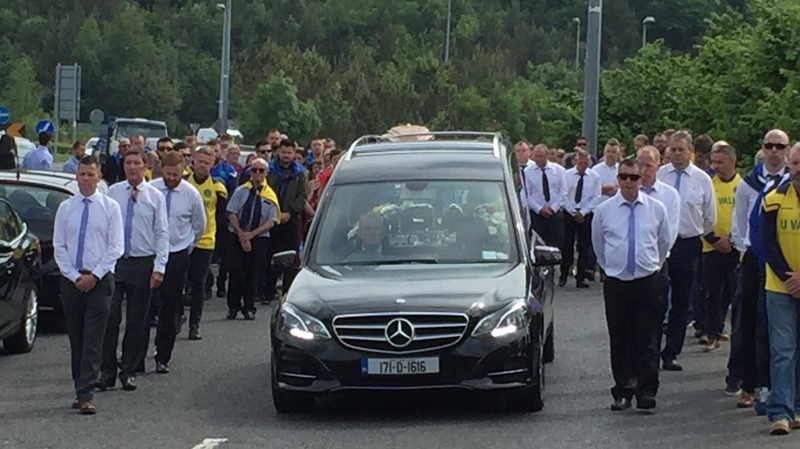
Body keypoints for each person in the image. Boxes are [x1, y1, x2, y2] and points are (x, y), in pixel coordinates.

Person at [592, 158, 672, 412]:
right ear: (618, 179)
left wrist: (652, 266)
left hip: (647, 280)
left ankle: (646, 391)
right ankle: (623, 390)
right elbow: (599, 245)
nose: (628, 182)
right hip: (617, 282)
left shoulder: (656, 208)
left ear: (641, 179)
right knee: (620, 337)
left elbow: (663, 243)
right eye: (624, 177)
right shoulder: (604, 210)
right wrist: (610, 268)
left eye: (633, 177)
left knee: (647, 338)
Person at [53, 156, 124, 414]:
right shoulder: (66, 208)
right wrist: (73, 276)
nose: (85, 179)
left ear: (99, 176)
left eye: (90, 174)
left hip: (100, 280)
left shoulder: (110, 207)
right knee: (77, 338)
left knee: (94, 339)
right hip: (71, 281)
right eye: (82, 174)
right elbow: (59, 246)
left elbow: (115, 246)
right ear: (76, 176)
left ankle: (87, 393)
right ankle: (79, 386)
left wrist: (94, 275)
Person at [728, 129, 790, 411]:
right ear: (762, 149)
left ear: (787, 151)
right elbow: (739, 223)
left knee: (775, 328)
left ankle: (774, 386)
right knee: (748, 322)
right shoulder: (749, 183)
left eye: (780, 146)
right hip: (754, 258)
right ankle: (748, 383)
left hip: (783, 259)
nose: (774, 151)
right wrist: (746, 250)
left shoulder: (791, 183)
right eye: (769, 146)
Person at [100, 147, 169, 392]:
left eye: (136, 163)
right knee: (110, 317)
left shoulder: (154, 196)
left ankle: (128, 370)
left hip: (142, 262)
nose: (132, 167)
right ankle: (106, 370)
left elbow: (162, 232)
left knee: (137, 321)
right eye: (128, 163)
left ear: (144, 166)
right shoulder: (113, 192)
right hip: (116, 262)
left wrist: (159, 267)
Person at [657, 130, 716, 371]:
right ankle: (651, 346)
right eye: (673, 149)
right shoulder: (660, 176)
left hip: (688, 243)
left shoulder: (702, 179)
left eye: (681, 149)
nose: (677, 153)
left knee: (681, 299)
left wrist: (692, 232)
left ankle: (672, 351)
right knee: (658, 296)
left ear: (690, 151)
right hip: (661, 243)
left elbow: (709, 217)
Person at [150, 152, 206, 373]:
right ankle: (134, 358)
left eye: (177, 174)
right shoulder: (151, 189)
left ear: (184, 170)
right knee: (146, 306)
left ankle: (163, 355)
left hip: (177, 254)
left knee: (171, 306)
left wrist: (186, 246)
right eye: (169, 173)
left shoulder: (191, 194)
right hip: (152, 253)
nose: (173, 178)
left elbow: (199, 225)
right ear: (162, 169)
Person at [759, 142, 800, 435]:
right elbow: (767, 244)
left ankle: (797, 406)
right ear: (788, 164)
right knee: (783, 350)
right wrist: (790, 278)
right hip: (780, 286)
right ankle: (781, 411)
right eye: (795, 164)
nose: (799, 170)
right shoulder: (772, 199)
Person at [226, 158, 280, 320]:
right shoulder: (241, 190)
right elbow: (232, 213)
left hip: (259, 239)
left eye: (260, 170)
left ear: (266, 173)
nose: (257, 174)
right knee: (236, 273)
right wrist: (242, 234)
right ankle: (233, 307)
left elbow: (271, 221)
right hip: (237, 235)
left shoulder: (270, 195)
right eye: (254, 170)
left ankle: (249, 307)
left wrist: (252, 234)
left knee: (253, 273)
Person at [699, 142, 741, 352]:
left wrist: (731, 239)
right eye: (713, 162)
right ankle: (712, 333)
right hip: (711, 246)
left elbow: (745, 218)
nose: (716, 166)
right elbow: (700, 215)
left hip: (735, 249)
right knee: (712, 294)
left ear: (732, 162)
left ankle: (736, 334)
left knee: (734, 294)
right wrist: (714, 240)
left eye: (720, 162)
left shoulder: (742, 185)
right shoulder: (708, 184)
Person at [185, 146, 228, 337]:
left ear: (213, 164)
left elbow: (220, 217)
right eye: (199, 161)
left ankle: (195, 325)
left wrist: (219, 246)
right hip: (182, 241)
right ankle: (177, 315)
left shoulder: (218, 187)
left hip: (205, 241)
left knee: (198, 283)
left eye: (206, 163)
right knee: (178, 282)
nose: (202, 165)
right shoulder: (184, 182)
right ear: (193, 160)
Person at [263, 139, 307, 303]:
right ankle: (268, 291)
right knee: (270, 255)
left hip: (291, 219)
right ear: (278, 152)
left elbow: (302, 196)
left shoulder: (299, 173)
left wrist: (290, 212)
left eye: (289, 153)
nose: (286, 156)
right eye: (283, 152)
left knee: (291, 257)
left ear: (294, 153)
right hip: (272, 219)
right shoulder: (270, 170)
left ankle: (288, 293)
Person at [560, 149, 601, 288]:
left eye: (586, 163)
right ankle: (564, 273)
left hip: (586, 213)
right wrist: (572, 211)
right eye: (581, 162)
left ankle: (581, 277)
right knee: (567, 244)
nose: (583, 165)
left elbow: (596, 197)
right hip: (570, 211)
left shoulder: (594, 177)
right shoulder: (567, 175)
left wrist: (583, 213)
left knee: (584, 246)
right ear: (576, 161)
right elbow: (563, 195)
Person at [523, 143, 566, 249]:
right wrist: (539, 209)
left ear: (546, 155)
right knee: (538, 243)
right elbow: (527, 194)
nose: (538, 159)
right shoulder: (527, 172)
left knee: (558, 243)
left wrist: (553, 208)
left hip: (555, 213)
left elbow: (563, 191)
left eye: (541, 156)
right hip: (537, 214)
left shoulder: (559, 170)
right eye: (536, 156)